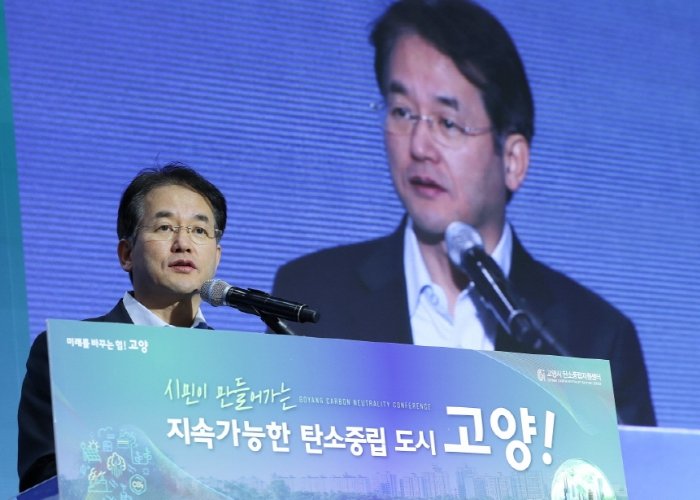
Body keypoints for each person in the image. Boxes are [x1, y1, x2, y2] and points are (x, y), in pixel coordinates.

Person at [272, 0, 655, 426]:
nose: (419, 146)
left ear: (513, 161)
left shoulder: (593, 340)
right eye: (402, 112)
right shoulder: (310, 298)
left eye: (448, 122)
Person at [17, 163, 226, 491]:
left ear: (216, 256)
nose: (183, 243)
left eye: (199, 230)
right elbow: (42, 478)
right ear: (127, 254)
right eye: (165, 227)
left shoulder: (234, 362)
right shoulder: (71, 354)